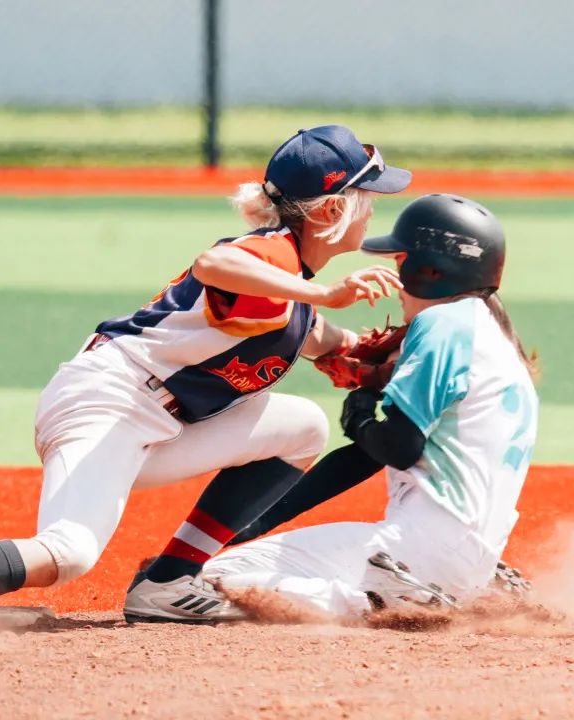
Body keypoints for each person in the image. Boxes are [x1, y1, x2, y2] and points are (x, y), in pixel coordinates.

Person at [0, 125, 411, 644]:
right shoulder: (269, 256)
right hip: (107, 402)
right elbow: (214, 265)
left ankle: (168, 582)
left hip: (159, 423)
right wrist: (321, 292)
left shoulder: (292, 290)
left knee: (301, 426)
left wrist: (371, 356)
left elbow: (326, 340)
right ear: (331, 209)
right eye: (367, 195)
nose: (374, 207)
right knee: (67, 553)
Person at [155, 193, 540, 620]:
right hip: (466, 553)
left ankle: (377, 600)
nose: (396, 278)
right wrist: (253, 525)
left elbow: (396, 446)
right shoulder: (494, 338)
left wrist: (359, 406)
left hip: (423, 546)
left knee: (213, 578)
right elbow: (364, 457)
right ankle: (452, 590)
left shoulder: (441, 323)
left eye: (400, 262)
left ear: (430, 270)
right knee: (232, 564)